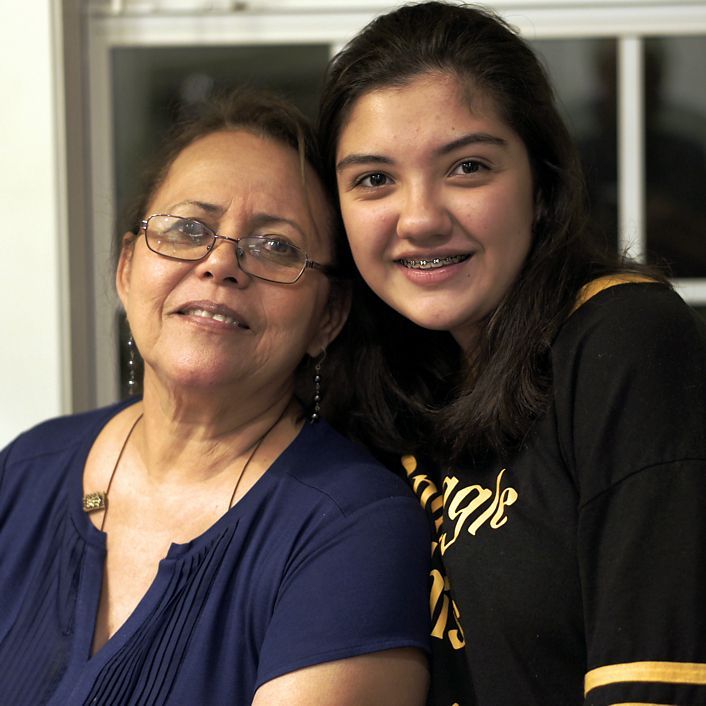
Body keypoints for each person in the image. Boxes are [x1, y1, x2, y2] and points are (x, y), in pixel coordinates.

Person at [318, 3, 706, 705]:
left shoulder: (623, 338)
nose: (420, 218)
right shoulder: (378, 379)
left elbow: (656, 687)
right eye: (374, 179)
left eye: (467, 167)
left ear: (542, 184)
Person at [0, 89, 431, 705]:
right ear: (126, 270)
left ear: (328, 317)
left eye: (277, 246)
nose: (220, 263)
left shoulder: (353, 527)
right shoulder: (24, 469)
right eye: (187, 230)